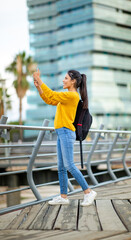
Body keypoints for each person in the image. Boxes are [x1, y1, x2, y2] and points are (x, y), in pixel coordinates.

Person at [33, 69, 97, 206]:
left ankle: (88, 192)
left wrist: (39, 80)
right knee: (61, 167)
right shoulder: (66, 97)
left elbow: (51, 93)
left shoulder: (72, 96)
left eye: (66, 78)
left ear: (73, 81)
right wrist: (39, 87)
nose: (63, 80)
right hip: (61, 132)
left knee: (69, 165)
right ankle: (63, 196)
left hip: (67, 132)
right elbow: (49, 99)